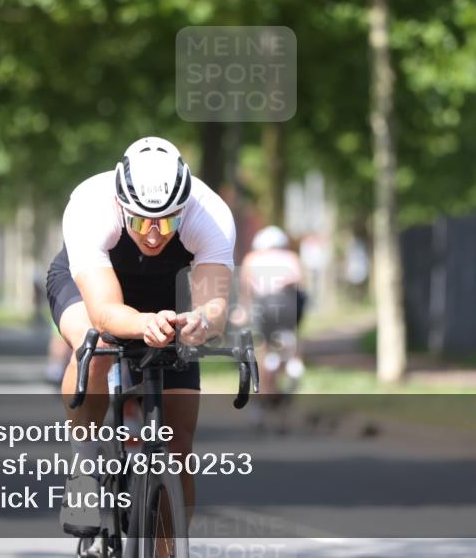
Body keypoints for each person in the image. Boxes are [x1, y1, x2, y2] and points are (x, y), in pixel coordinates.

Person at [45, 136, 235, 537]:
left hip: (169, 293)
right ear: (121, 206)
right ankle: (84, 469)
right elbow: (105, 312)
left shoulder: (211, 214)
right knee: (95, 346)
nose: (152, 235)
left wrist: (203, 320)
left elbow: (214, 303)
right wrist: (144, 325)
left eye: (167, 222)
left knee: (179, 449)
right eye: (141, 221)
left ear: (184, 210)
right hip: (93, 287)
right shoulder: (90, 207)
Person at [239, 226, 306, 398]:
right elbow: (301, 283)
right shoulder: (291, 257)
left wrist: (243, 311)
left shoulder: (251, 259)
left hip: (266, 307)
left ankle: (268, 383)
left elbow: (246, 291)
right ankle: (294, 365)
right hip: (289, 307)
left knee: (266, 348)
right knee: (293, 339)